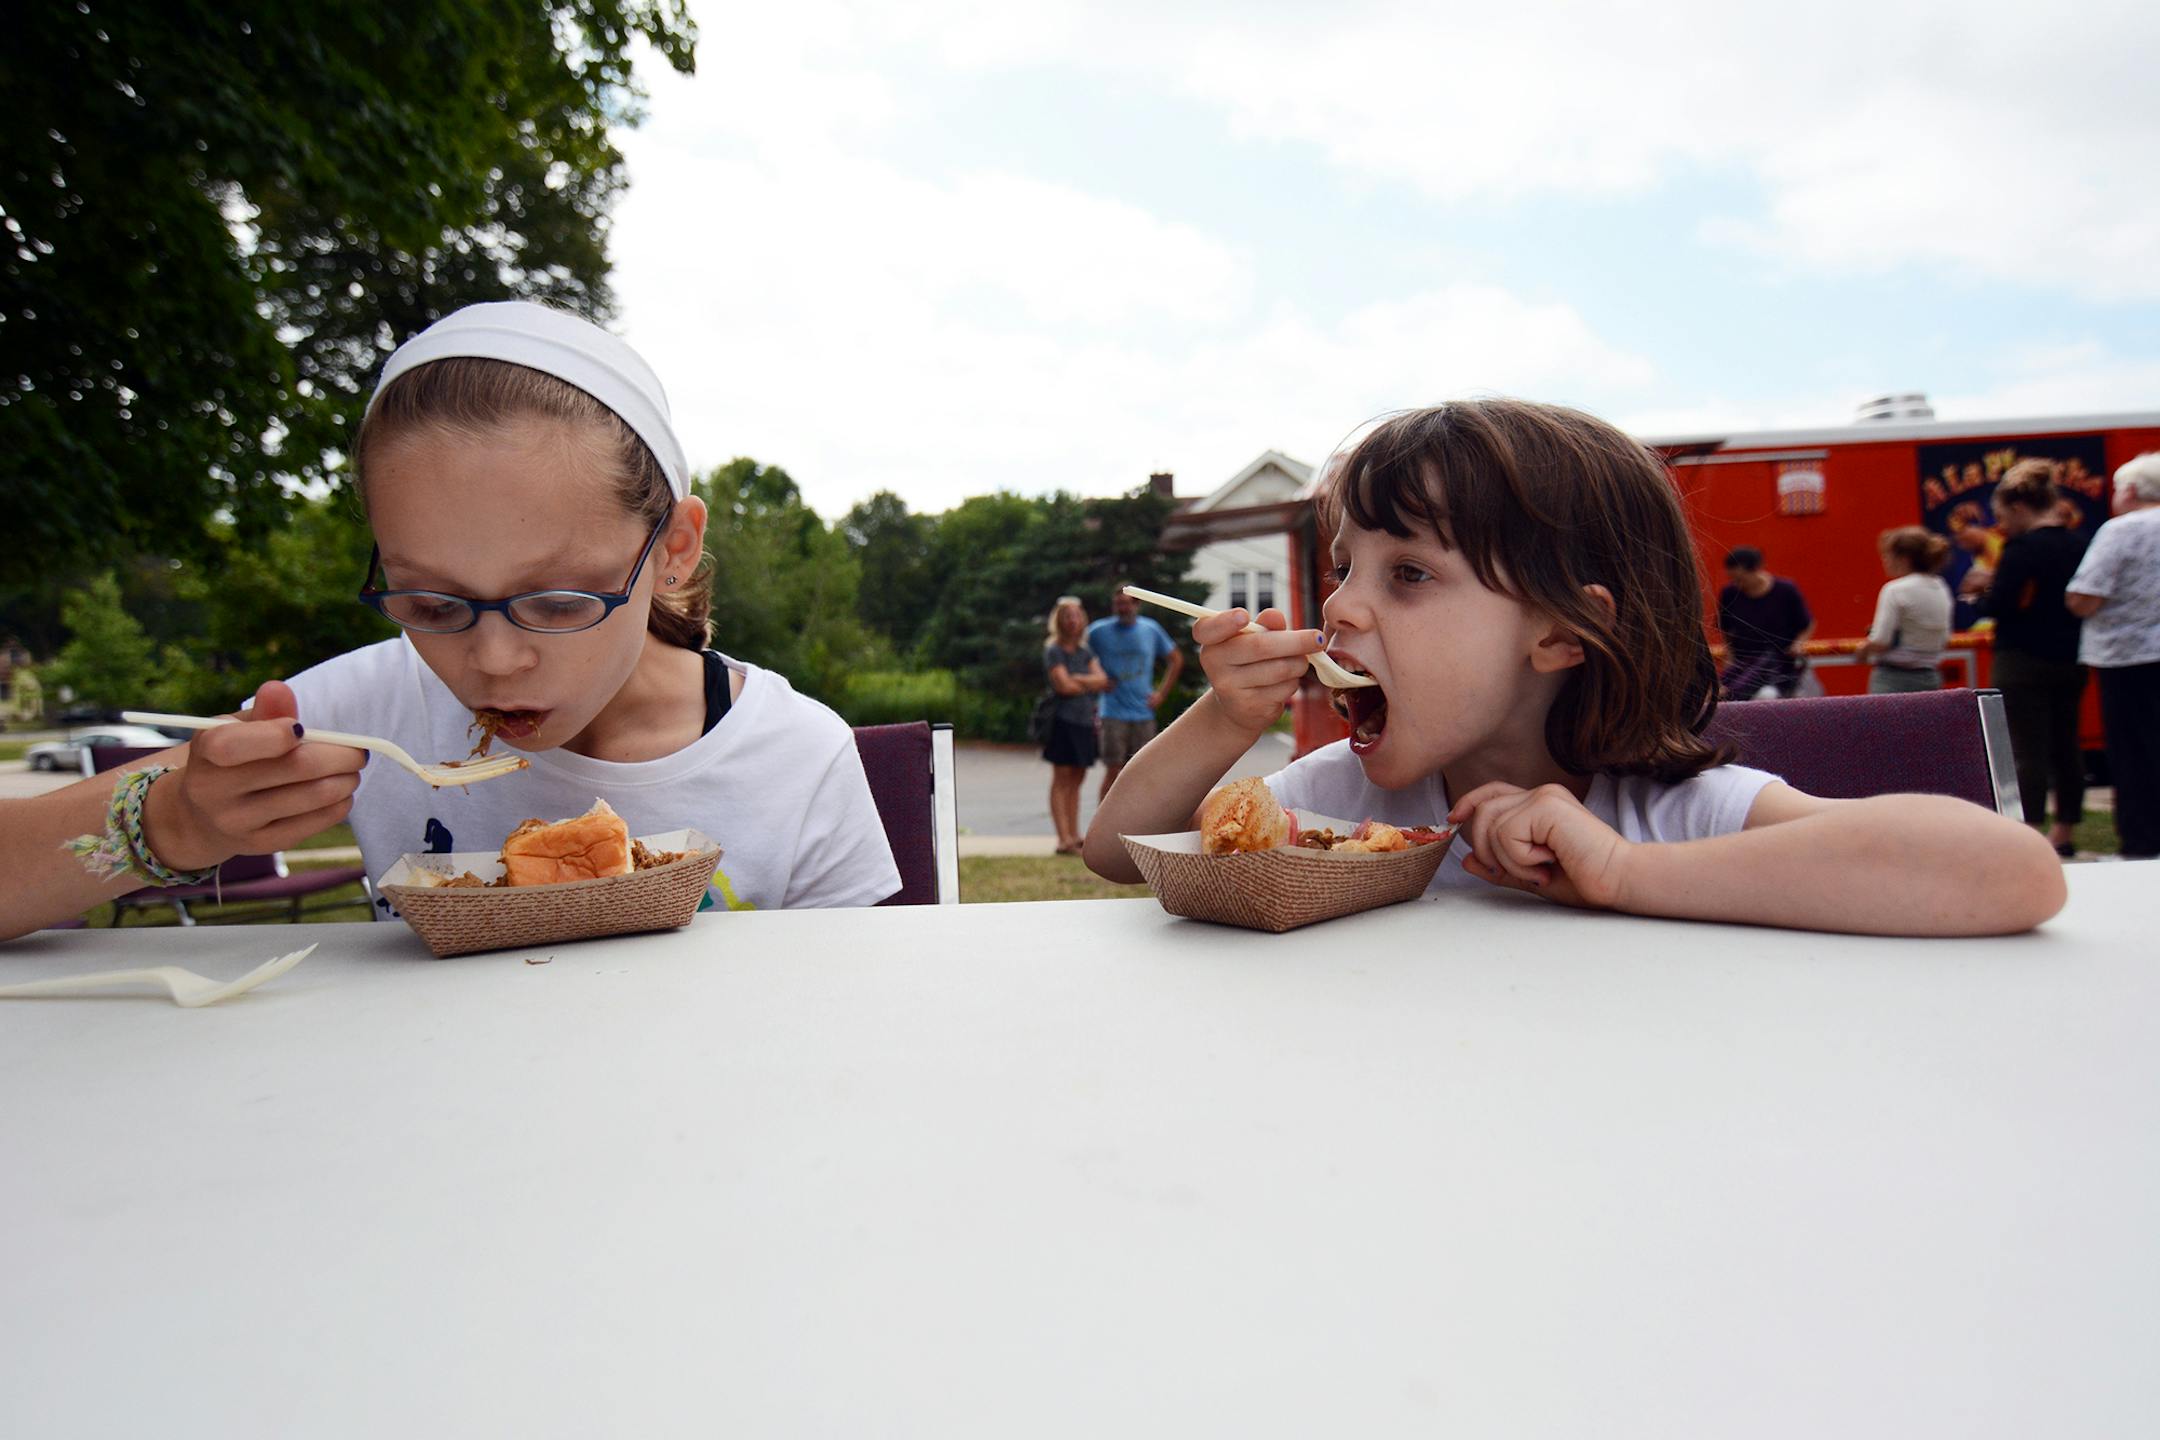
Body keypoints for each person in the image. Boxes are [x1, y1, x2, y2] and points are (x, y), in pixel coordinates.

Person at [43, 302, 901, 919]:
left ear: (672, 549)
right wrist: (174, 822)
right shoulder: (360, 716)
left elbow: (860, 1026)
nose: (491, 663)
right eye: (431, 602)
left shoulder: (794, 759)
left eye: (561, 601)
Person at [1084, 399, 2063, 936]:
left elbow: (2013, 874)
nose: (1339, 603)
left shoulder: (1671, 812)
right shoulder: (1347, 808)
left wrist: (1629, 875)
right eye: (1345, 566)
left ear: (1559, 635)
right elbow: (1119, 854)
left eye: (1410, 573)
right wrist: (1223, 718)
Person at [1967, 461, 2089, 856]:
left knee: (2026, 749)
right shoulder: (2078, 543)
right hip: (2071, 655)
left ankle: (2031, 832)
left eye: (2002, 517)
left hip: (2022, 657)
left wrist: (1980, 594)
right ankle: (2066, 831)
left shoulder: (2021, 550)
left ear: (2019, 508)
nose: (2001, 526)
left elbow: (2003, 604)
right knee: (2067, 745)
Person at [2067, 452, 2160, 860]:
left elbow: (2086, 596)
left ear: (2133, 490)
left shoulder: (2121, 530)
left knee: (2133, 755)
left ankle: (2142, 845)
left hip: (2126, 657)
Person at [1085, 586, 1185, 801]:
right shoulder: (1098, 631)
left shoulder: (1150, 629)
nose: (1122, 608)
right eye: (1118, 604)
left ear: (1136, 605)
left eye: (1126, 603)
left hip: (1143, 712)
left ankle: (1139, 825)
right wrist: (1098, 679)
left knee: (1143, 771)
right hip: (1112, 711)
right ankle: (1103, 825)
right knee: (1113, 769)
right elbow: (1080, 656)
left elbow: (1175, 659)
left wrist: (1161, 694)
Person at [1042, 595, 1109, 855]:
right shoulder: (1054, 650)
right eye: (1067, 616)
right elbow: (1064, 686)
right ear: (1059, 620)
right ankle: (1062, 838)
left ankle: (1074, 834)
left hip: (1084, 722)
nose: (1072, 620)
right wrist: (1087, 681)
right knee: (1062, 778)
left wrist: (1079, 678)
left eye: (1076, 615)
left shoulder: (1084, 651)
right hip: (1062, 721)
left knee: (1078, 778)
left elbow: (1102, 680)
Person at [1856, 527, 1953, 694]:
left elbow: (1881, 640)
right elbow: (1944, 636)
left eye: (1887, 555)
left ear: (1903, 559)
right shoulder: (1940, 586)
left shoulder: (1894, 590)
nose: (1884, 560)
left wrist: (1863, 650)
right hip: (1931, 676)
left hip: (1893, 679)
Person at [1716, 546, 1814, 699]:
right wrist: (1729, 656)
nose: (1738, 584)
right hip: (1743, 661)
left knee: (1765, 694)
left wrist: (1798, 644)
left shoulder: (1786, 591)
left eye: (1741, 579)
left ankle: (1731, 692)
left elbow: (1806, 623)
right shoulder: (1729, 594)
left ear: (1755, 569)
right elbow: (1726, 629)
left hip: (1780, 663)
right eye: (1734, 580)